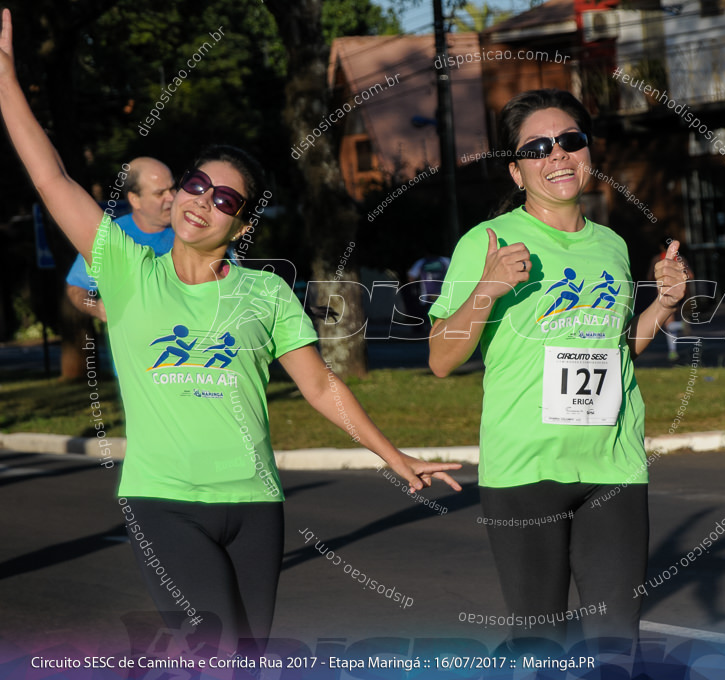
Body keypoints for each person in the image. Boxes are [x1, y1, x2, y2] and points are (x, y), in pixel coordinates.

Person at [0, 8, 461, 654]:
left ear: (242, 227)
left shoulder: (265, 292)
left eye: (224, 200)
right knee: (214, 650)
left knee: (245, 658)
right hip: (163, 503)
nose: (201, 201)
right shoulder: (130, 271)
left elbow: (323, 388)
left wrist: (394, 455)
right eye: (197, 185)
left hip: (255, 506)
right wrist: (5, 77)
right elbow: (52, 176)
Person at [427, 89, 687, 648]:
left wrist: (663, 307)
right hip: (524, 468)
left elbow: (618, 350)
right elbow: (442, 359)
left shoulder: (613, 246)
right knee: (540, 646)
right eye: (538, 147)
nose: (558, 155)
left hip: (613, 465)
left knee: (617, 642)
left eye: (570, 141)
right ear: (517, 172)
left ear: (588, 152)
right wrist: (488, 287)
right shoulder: (487, 242)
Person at [65, 157, 175, 322]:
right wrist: (96, 308)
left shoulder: (191, 227)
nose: (172, 198)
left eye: (173, 189)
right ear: (134, 199)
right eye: (160, 193)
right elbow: (76, 288)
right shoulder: (111, 237)